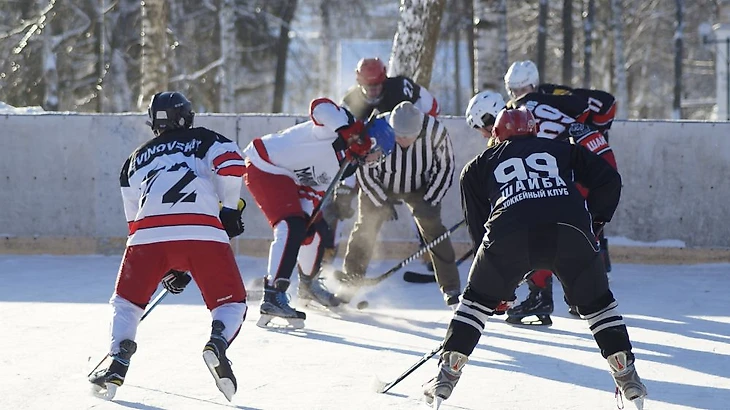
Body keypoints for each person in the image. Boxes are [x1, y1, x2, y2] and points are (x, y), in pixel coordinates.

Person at [422, 108, 647, 410]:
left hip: (508, 233)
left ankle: (446, 374)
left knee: (474, 304)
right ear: (534, 130)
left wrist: (496, 290)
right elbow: (610, 180)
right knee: (598, 306)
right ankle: (625, 371)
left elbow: (480, 230)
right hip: (570, 229)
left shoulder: (476, 166)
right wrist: (592, 222)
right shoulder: (562, 149)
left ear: (496, 134)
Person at [89, 91, 248, 402]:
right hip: (202, 231)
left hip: (147, 237)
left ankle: (117, 361)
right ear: (187, 117)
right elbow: (231, 165)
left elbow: (133, 222)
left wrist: (168, 265)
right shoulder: (205, 139)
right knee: (231, 304)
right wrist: (229, 209)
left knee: (127, 304)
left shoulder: (134, 159)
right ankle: (217, 343)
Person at [243, 97, 395, 329]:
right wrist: (348, 132)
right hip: (266, 165)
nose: (376, 160)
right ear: (372, 142)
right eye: (379, 154)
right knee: (290, 226)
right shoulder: (345, 124)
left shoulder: (350, 165)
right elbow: (319, 106)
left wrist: (308, 216)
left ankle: (308, 285)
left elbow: (317, 185)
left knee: (314, 231)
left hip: (294, 180)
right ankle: (273, 293)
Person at [503, 60, 618, 325]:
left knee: (542, 229)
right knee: (581, 233)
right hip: (597, 163)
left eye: (523, 88)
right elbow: (601, 109)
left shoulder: (521, 111)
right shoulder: (552, 103)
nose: (519, 93)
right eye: (515, 89)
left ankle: (541, 297)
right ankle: (586, 298)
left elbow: (606, 103)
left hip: (578, 168)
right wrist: (596, 131)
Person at [333, 101, 461, 307]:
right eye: (398, 135)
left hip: (421, 186)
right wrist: (379, 200)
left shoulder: (436, 132)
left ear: (418, 130)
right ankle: (350, 282)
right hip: (379, 184)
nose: (402, 140)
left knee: (432, 228)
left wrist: (430, 199)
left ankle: (451, 287)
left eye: (407, 137)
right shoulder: (376, 129)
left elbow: (445, 167)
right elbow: (363, 168)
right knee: (366, 225)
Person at [341, 57, 440, 121]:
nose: (373, 91)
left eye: (376, 86)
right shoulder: (350, 102)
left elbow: (433, 108)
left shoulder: (400, 89)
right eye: (368, 87)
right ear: (359, 83)